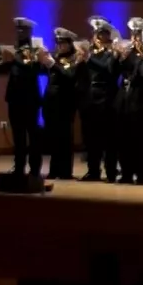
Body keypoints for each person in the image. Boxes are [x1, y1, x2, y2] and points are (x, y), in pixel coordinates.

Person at [77, 17, 121, 181]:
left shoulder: (112, 52)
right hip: (90, 98)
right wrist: (81, 61)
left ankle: (110, 171)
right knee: (91, 138)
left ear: (106, 36)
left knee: (109, 139)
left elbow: (109, 70)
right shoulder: (90, 52)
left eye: (101, 33)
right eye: (95, 33)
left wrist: (89, 60)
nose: (97, 36)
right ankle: (93, 171)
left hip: (107, 97)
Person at [37, 27, 81, 180]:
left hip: (65, 103)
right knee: (53, 138)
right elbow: (43, 71)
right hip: (50, 103)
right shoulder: (55, 57)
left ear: (69, 44)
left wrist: (52, 64)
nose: (59, 46)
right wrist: (41, 59)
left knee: (65, 138)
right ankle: (54, 169)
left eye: (62, 43)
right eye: (58, 43)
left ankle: (65, 171)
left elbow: (69, 76)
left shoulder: (75, 58)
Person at [116, 18, 143, 184]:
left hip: (141, 100)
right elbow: (113, 71)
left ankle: (141, 175)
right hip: (125, 100)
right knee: (124, 139)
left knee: (140, 141)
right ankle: (126, 173)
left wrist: (136, 56)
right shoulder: (129, 52)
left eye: (138, 34)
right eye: (133, 33)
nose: (134, 37)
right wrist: (119, 57)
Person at [4, 17, 44, 176]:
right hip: (14, 97)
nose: (19, 32)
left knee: (32, 134)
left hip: (30, 98)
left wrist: (15, 57)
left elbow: (32, 68)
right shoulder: (14, 49)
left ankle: (35, 168)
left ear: (29, 31)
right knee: (17, 135)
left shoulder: (35, 48)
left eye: (23, 30)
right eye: (18, 29)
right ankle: (19, 166)